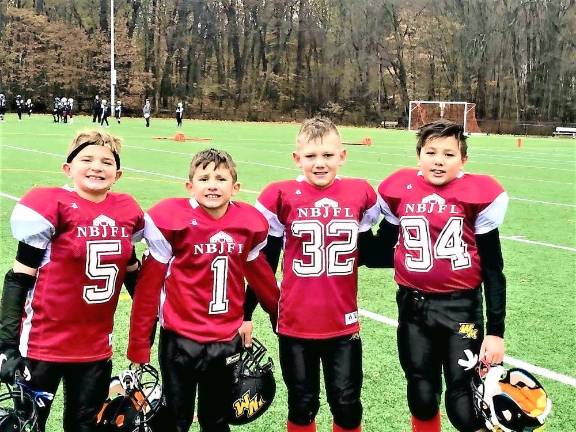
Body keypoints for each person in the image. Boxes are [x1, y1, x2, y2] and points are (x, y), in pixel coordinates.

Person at [363, 120, 509, 432]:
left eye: (448, 154)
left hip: (462, 310)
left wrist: (496, 331)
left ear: (463, 161)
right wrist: (353, 224)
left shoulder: (476, 194)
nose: (439, 160)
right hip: (414, 308)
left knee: (464, 401)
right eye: (431, 152)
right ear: (418, 157)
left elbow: (494, 270)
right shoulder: (400, 190)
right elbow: (376, 254)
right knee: (421, 393)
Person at [0, 130, 145, 432]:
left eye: (106, 161)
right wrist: (7, 345)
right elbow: (18, 277)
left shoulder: (127, 211)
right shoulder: (50, 205)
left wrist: (151, 323)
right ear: (68, 168)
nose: (96, 166)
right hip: (42, 344)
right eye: (87, 159)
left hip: (95, 347)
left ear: (117, 173)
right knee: (28, 425)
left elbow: (133, 270)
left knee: (85, 427)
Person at [127, 148, 280, 432]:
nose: (212, 184)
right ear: (190, 186)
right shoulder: (171, 218)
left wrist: (278, 315)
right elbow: (148, 288)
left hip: (225, 339)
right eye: (204, 177)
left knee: (217, 420)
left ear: (235, 187)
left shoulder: (249, 224)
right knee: (176, 419)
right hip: (180, 340)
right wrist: (139, 343)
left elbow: (261, 277)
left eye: (221, 178)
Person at [244, 117, 380, 432]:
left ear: (342, 156)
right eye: (311, 156)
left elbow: (372, 251)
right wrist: (245, 312)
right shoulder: (280, 195)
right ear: (297, 159)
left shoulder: (359, 193)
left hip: (342, 322)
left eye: (328, 156)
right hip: (294, 322)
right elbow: (264, 261)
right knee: (302, 403)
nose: (320, 164)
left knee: (347, 405)